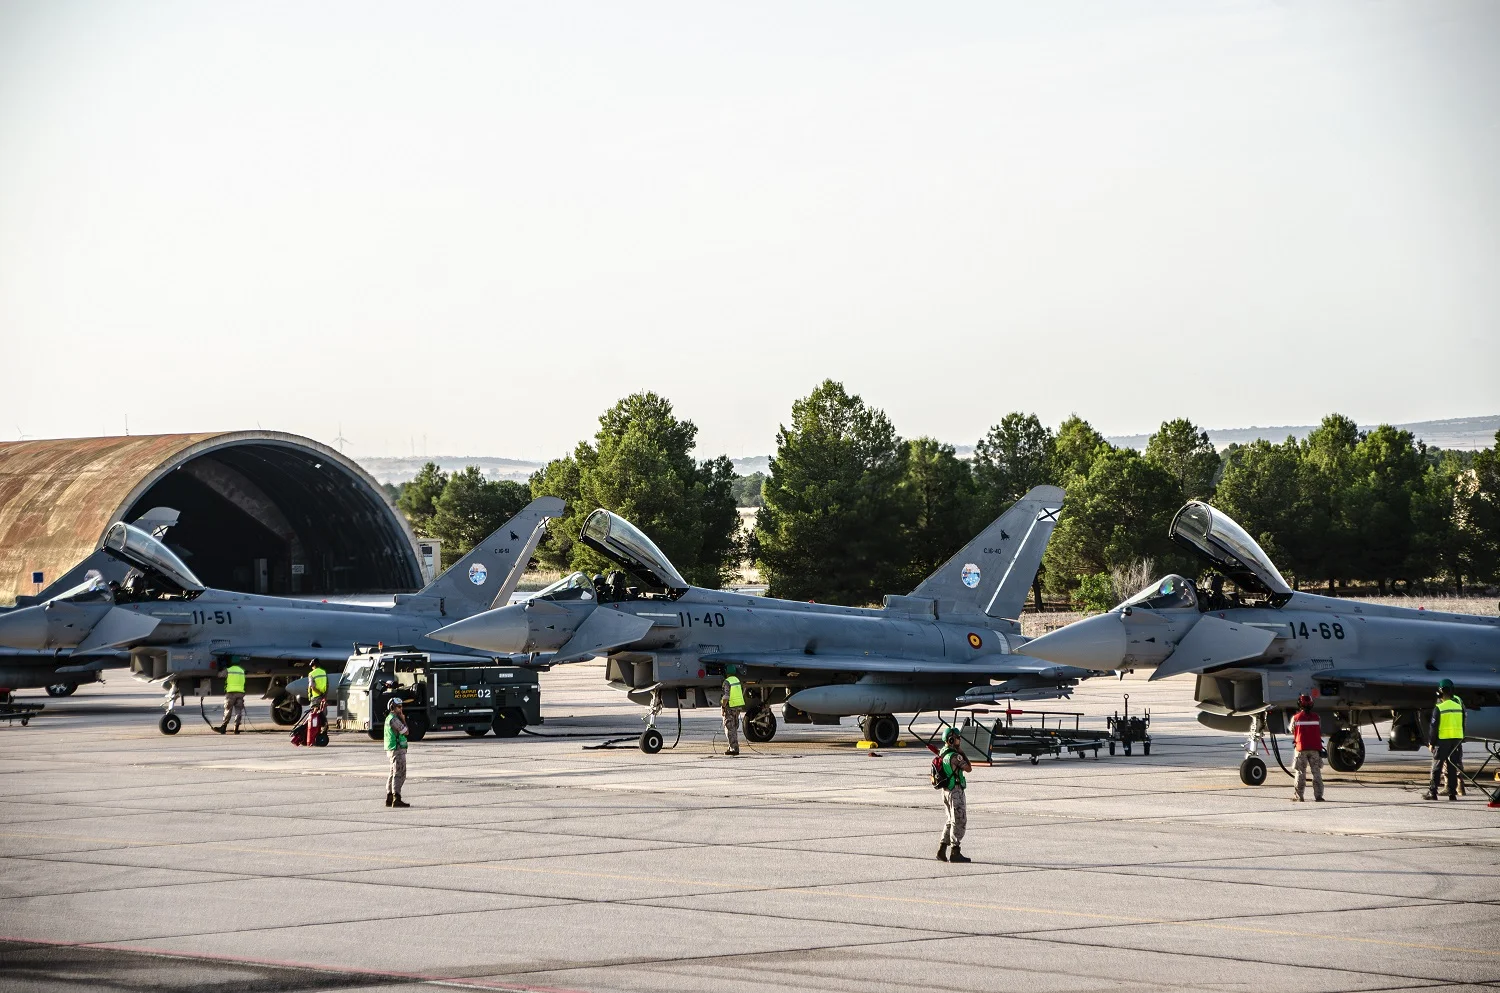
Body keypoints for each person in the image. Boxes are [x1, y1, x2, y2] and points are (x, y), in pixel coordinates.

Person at [935, 727, 972, 863]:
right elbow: (968, 768)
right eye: (957, 738)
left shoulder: (942, 753)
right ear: (951, 739)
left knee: (950, 820)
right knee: (959, 820)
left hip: (946, 791)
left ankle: (942, 849)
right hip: (955, 791)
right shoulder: (955, 756)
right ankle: (955, 851)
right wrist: (961, 752)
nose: (959, 740)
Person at [1424, 679, 1465, 801]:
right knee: (1452, 767)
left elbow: (1433, 727)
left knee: (1437, 766)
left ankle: (1432, 792)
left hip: (1442, 741)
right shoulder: (1458, 706)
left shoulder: (1439, 708)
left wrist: (1431, 742)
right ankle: (1452, 793)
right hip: (1456, 740)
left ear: (1440, 692)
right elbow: (1462, 724)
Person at [1288, 694, 1324, 802]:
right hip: (1315, 749)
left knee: (1300, 772)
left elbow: (1291, 730)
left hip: (1301, 749)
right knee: (1316, 772)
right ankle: (1318, 796)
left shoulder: (1296, 718)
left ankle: (1299, 796)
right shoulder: (1317, 717)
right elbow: (1319, 729)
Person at [385, 697, 411, 808]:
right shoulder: (394, 719)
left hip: (392, 748)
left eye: (401, 706)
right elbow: (406, 732)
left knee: (392, 773)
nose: (401, 709)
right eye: (398, 707)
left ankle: (389, 797)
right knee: (399, 773)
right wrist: (403, 719)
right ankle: (397, 798)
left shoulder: (389, 718)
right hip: (397, 749)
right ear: (392, 707)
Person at [721, 665, 746, 756]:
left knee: (729, 728)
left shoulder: (727, 682)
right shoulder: (737, 680)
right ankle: (732, 746)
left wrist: (723, 707)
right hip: (737, 706)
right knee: (734, 727)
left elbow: (726, 696)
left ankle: (734, 748)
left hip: (730, 707)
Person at [220, 662, 247, 734]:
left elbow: (220, 675)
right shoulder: (242, 670)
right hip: (240, 693)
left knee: (228, 710)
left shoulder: (228, 670)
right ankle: (236, 728)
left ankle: (224, 727)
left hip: (231, 693)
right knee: (238, 711)